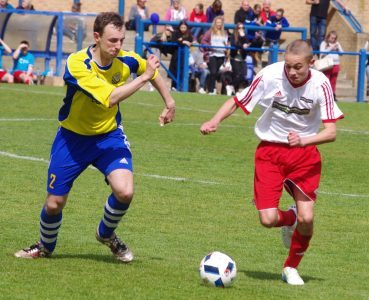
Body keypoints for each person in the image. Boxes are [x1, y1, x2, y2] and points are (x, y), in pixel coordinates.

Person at [14, 12, 175, 262]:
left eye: (121, 40)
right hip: (72, 139)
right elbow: (111, 98)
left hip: (109, 136)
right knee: (55, 203)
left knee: (125, 191)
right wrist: (143, 78)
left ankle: (106, 234)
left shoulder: (125, 59)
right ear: (97, 37)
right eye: (112, 40)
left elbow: (151, 71)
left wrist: (169, 101)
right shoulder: (78, 63)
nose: (118, 46)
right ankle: (44, 247)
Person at [200, 39, 344, 285]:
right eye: (288, 66)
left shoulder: (321, 84)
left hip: (304, 155)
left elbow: (331, 132)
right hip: (270, 154)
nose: (292, 72)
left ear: (311, 63)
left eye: (298, 67)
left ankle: (290, 267)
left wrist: (304, 140)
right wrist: (215, 121)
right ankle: (291, 217)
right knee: (267, 220)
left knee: (308, 218)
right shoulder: (269, 75)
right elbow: (238, 101)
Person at [201, 16, 229, 95]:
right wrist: (210, 46)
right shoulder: (210, 31)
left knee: (216, 73)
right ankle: (211, 90)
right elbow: (203, 41)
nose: (219, 24)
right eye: (217, 23)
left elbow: (226, 44)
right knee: (213, 72)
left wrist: (226, 48)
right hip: (212, 54)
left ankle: (211, 87)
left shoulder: (225, 33)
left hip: (221, 55)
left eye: (220, 23)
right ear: (214, 23)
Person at [168, 21, 193, 91]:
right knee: (175, 70)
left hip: (184, 56)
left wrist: (182, 40)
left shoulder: (189, 34)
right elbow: (174, 41)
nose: (183, 29)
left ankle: (181, 87)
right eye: (181, 27)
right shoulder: (176, 33)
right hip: (176, 55)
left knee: (183, 71)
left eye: (184, 27)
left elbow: (190, 40)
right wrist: (183, 42)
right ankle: (174, 87)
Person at [320, 30, 343, 101]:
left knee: (333, 81)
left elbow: (342, 53)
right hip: (327, 64)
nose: (333, 40)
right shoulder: (324, 43)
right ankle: (325, 95)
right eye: (332, 38)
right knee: (326, 80)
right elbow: (322, 53)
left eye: (335, 38)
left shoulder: (337, 43)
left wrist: (338, 48)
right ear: (328, 37)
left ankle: (332, 95)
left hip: (336, 64)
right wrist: (331, 48)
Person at [229, 22, 249, 93]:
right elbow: (234, 44)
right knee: (236, 75)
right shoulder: (233, 36)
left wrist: (243, 37)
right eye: (239, 28)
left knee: (243, 75)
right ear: (236, 29)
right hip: (235, 58)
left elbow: (247, 43)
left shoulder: (245, 36)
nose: (241, 29)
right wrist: (242, 44)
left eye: (242, 28)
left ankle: (231, 86)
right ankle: (233, 88)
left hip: (242, 58)